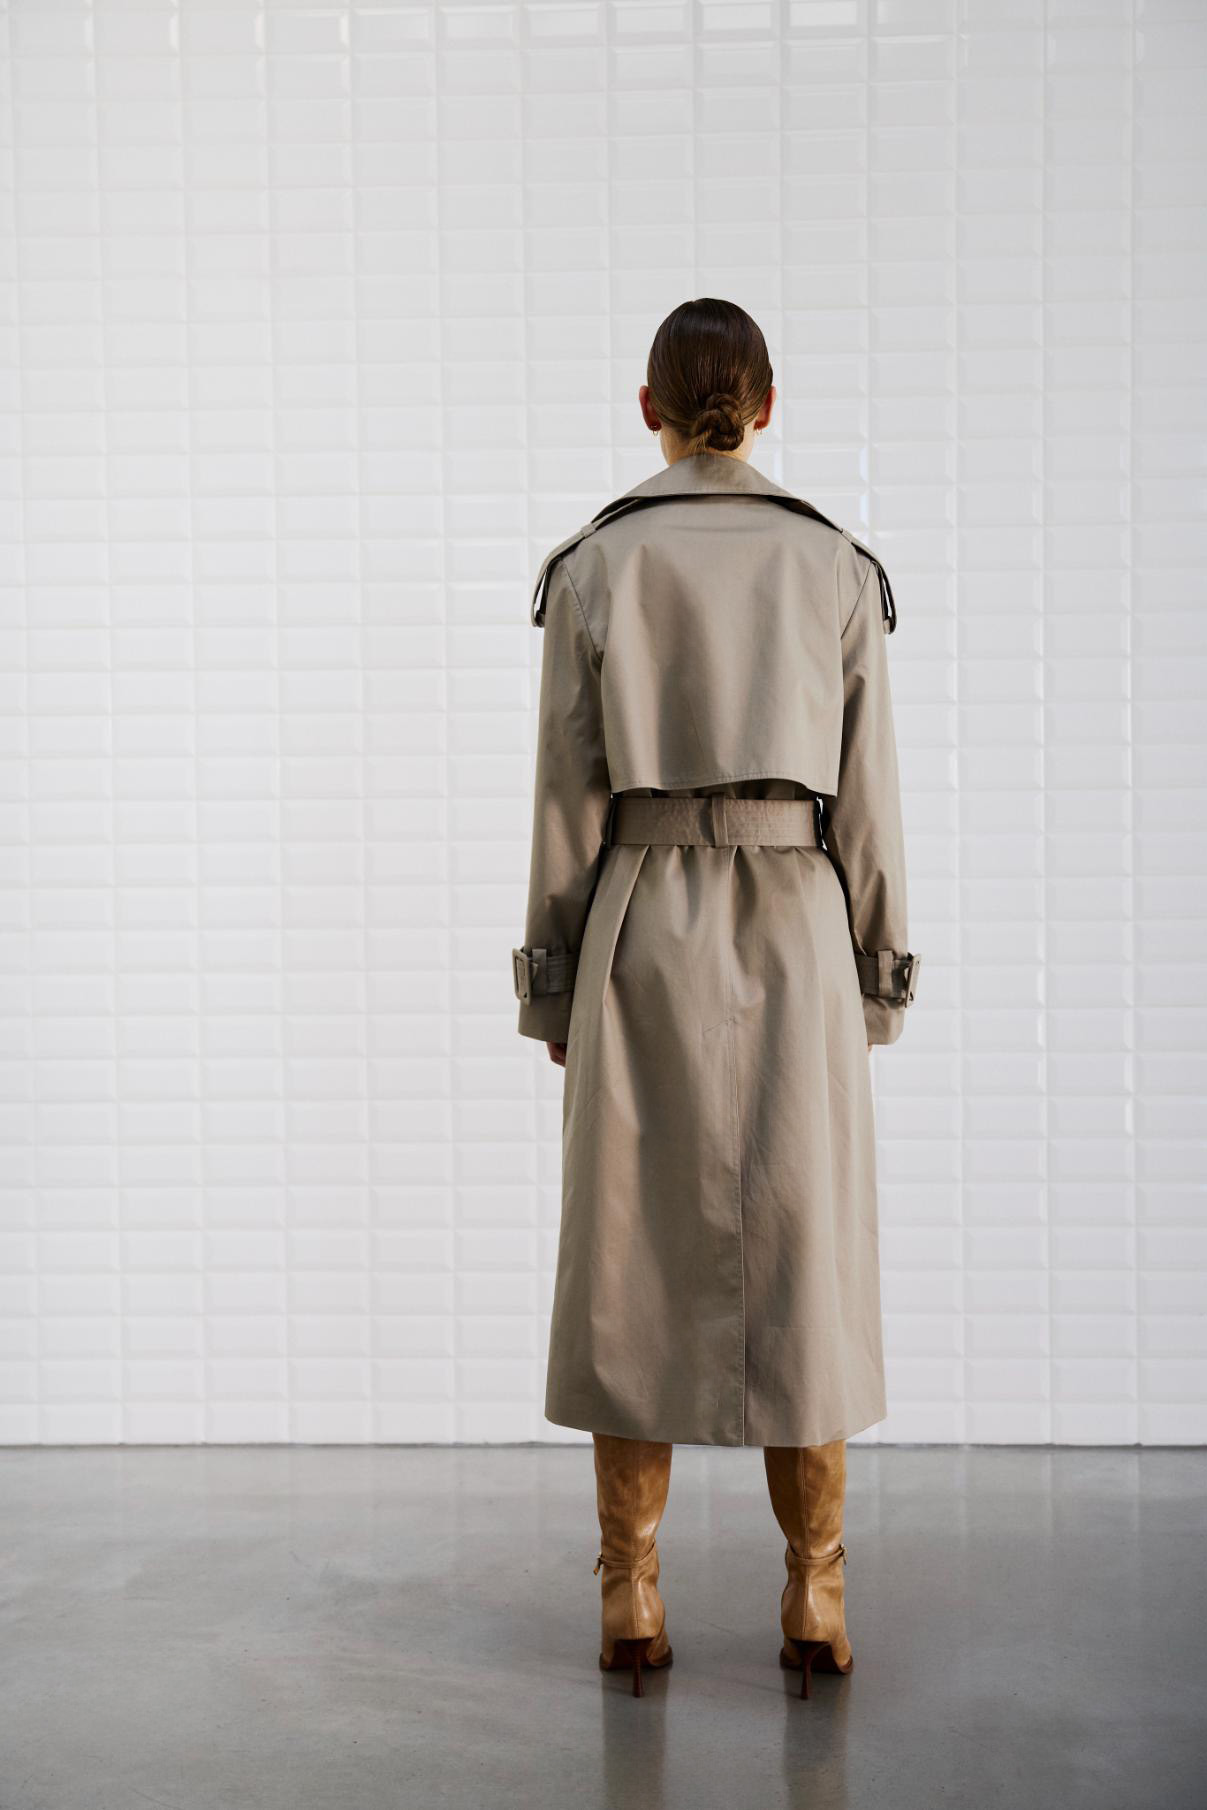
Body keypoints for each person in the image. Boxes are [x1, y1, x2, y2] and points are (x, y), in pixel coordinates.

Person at [511, 298, 920, 1699]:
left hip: (639, 919)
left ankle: (631, 1590)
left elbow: (565, 798)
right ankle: (816, 1590)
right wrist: (878, 974)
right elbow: (869, 799)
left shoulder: (595, 565)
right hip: (799, 923)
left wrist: (552, 981)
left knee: (630, 1260)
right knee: (807, 1259)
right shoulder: (836, 564)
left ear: (649, 411)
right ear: (766, 404)